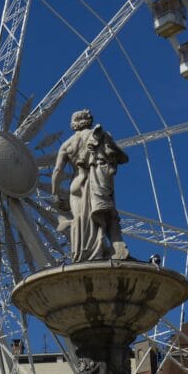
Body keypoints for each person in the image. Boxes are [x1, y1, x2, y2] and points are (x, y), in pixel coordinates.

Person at [51, 108, 129, 263]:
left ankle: (81, 254)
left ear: (74, 124)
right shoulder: (100, 136)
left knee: (79, 219)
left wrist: (54, 192)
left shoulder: (67, 145)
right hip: (96, 182)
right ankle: (98, 251)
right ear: (89, 121)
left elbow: (58, 170)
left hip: (77, 183)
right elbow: (122, 158)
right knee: (98, 218)